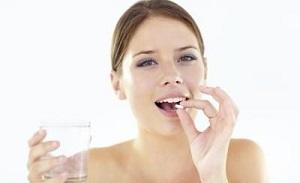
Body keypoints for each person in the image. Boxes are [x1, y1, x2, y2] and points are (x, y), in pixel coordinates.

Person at [27, 0, 268, 182]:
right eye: (147, 62)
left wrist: (213, 174)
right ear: (117, 84)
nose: (172, 76)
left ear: (205, 69)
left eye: (186, 57)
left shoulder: (242, 159)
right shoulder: (85, 171)